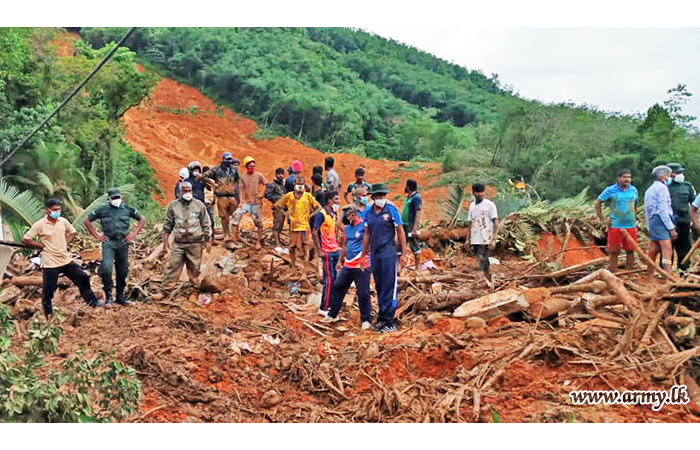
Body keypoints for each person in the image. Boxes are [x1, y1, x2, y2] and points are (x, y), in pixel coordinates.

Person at [22, 198, 102, 317]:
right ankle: (49, 314)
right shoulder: (40, 225)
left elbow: (73, 232)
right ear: (47, 211)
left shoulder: (62, 221)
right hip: (50, 262)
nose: (57, 211)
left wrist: (65, 244)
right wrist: (40, 245)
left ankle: (93, 302)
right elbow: (26, 239)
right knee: (48, 291)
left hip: (65, 259)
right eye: (55, 210)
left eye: (59, 209)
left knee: (83, 277)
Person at [84, 188, 146, 306]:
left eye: (118, 197)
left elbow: (142, 219)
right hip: (109, 243)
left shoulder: (127, 209)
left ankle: (120, 297)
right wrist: (97, 236)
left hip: (123, 243)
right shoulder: (102, 210)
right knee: (106, 268)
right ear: (109, 199)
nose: (117, 200)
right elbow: (87, 221)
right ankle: (108, 297)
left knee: (122, 271)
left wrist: (133, 234)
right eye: (114, 198)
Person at [153, 182, 212, 300]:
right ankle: (165, 291)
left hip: (195, 243)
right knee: (173, 266)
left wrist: (208, 239)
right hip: (179, 243)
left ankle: (193, 291)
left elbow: (206, 223)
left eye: (189, 190)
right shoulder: (173, 205)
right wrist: (165, 243)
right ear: (180, 192)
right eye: (185, 191)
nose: (188, 193)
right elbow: (167, 225)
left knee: (194, 269)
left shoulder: (199, 205)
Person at [361, 183, 408, 333]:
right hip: (375, 254)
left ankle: (389, 321)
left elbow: (400, 231)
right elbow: (367, 233)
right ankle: (382, 317)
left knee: (389, 286)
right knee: (380, 286)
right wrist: (363, 254)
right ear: (373, 197)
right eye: (379, 196)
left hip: (388, 253)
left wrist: (404, 253)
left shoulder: (391, 209)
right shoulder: (369, 212)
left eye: (383, 195)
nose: (382, 198)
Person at [321, 204, 372, 330]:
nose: (345, 218)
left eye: (347, 216)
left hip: (361, 264)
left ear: (353, 214)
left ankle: (365, 320)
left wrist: (365, 256)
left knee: (363, 293)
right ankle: (332, 314)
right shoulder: (348, 229)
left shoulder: (364, 226)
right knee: (338, 286)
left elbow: (369, 242)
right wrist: (340, 261)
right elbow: (344, 245)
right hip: (348, 264)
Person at [594, 169, 638, 273]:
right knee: (614, 251)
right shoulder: (610, 190)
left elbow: (635, 202)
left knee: (630, 250)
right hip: (615, 225)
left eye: (629, 177)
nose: (627, 179)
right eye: (624, 177)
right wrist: (603, 219)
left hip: (630, 225)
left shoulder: (633, 190)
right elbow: (597, 203)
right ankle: (613, 273)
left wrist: (634, 215)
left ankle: (629, 273)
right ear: (618, 178)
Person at [275, 176, 321, 274]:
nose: (300, 186)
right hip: (293, 227)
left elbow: (319, 207)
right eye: (298, 184)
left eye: (301, 184)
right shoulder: (289, 196)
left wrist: (311, 215)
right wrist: (285, 213)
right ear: (294, 185)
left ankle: (304, 269)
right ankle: (293, 265)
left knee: (305, 247)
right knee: (292, 248)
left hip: (305, 227)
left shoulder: (308, 196)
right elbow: (277, 206)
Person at [644, 165, 677, 280]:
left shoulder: (649, 190)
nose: (670, 178)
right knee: (667, 249)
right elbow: (662, 209)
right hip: (661, 220)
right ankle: (668, 277)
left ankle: (649, 275)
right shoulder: (662, 188)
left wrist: (649, 226)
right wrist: (671, 228)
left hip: (653, 221)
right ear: (663, 177)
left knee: (654, 248)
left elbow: (646, 210)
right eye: (669, 176)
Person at [312, 191, 341, 316]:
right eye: (336, 199)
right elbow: (314, 232)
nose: (338, 201)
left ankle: (330, 304)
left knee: (334, 279)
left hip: (334, 250)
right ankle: (324, 307)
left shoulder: (333, 214)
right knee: (329, 280)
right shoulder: (322, 214)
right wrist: (319, 250)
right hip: (327, 251)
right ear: (330, 201)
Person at [231, 156, 268, 248]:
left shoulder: (259, 175)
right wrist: (241, 202)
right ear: (246, 167)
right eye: (250, 166)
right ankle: (234, 237)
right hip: (247, 203)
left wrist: (262, 195)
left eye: (254, 166)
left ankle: (258, 242)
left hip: (256, 203)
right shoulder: (243, 177)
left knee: (258, 223)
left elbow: (268, 185)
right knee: (235, 215)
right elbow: (241, 190)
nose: (252, 168)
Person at [467, 183, 499, 286]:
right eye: (477, 192)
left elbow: (496, 223)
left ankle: (479, 286)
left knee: (478, 264)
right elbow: (470, 223)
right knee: (485, 265)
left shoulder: (489, 205)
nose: (480, 194)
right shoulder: (472, 206)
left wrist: (494, 239)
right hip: (475, 240)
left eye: (482, 192)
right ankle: (491, 284)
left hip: (485, 240)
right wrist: (468, 239)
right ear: (473, 193)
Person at [203, 152, 239, 240]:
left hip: (231, 196)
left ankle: (233, 234)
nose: (228, 161)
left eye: (229, 159)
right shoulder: (216, 170)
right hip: (221, 196)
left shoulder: (234, 169)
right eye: (226, 159)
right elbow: (204, 176)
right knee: (223, 216)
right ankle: (226, 234)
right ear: (223, 159)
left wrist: (233, 188)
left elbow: (237, 179)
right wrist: (212, 183)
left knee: (234, 214)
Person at [667, 163, 696, 271]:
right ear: (670, 174)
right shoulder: (664, 187)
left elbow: (694, 204)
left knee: (685, 247)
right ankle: (666, 272)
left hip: (684, 222)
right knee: (667, 249)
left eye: (681, 172)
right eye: (677, 172)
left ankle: (683, 271)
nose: (680, 175)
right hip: (669, 223)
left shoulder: (687, 186)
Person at [265, 167, 288, 252]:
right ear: (276, 175)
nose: (280, 176)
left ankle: (278, 241)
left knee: (281, 225)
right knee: (277, 225)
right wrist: (277, 199)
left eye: (282, 174)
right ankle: (277, 242)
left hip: (285, 208)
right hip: (277, 208)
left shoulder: (284, 184)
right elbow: (267, 194)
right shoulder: (272, 185)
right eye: (279, 174)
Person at [402, 179, 423, 270]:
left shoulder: (416, 198)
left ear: (409, 187)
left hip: (410, 226)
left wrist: (414, 228)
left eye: (406, 185)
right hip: (404, 225)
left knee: (414, 245)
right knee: (401, 244)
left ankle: (417, 268)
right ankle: (401, 267)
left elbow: (418, 213)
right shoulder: (408, 197)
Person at [202, 165, 215, 231]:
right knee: (207, 218)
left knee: (210, 219)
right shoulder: (202, 181)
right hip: (206, 202)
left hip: (209, 202)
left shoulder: (211, 181)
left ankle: (211, 234)